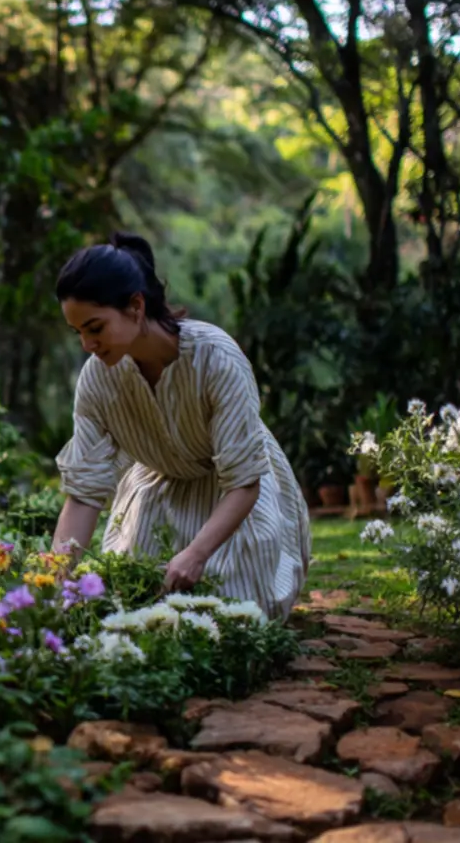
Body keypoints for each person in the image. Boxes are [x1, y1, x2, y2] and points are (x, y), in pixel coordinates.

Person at [50, 232, 310, 620]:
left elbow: (244, 482)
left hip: (235, 496)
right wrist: (51, 583)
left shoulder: (216, 358)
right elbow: (84, 494)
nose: (87, 344)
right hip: (158, 494)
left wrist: (196, 554)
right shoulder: (97, 379)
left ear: (136, 307)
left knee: (231, 615)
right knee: (135, 609)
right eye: (79, 333)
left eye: (95, 328)